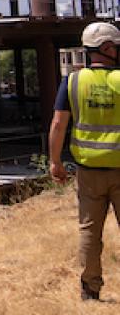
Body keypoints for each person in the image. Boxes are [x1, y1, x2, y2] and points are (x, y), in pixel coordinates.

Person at [49, 20, 120, 299]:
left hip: (88, 171)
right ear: (107, 48)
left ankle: (90, 289)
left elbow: (58, 125)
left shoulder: (73, 82)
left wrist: (55, 161)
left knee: (90, 232)